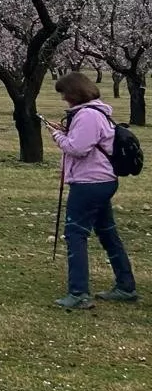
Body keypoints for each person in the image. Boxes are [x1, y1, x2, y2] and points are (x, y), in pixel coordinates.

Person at [48, 72, 137, 309]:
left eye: (64, 93)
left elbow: (78, 149)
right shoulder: (97, 112)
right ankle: (126, 285)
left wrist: (57, 136)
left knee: (75, 234)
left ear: (75, 92)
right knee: (107, 233)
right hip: (101, 180)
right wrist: (66, 132)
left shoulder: (87, 115)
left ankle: (78, 293)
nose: (63, 98)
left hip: (90, 182)